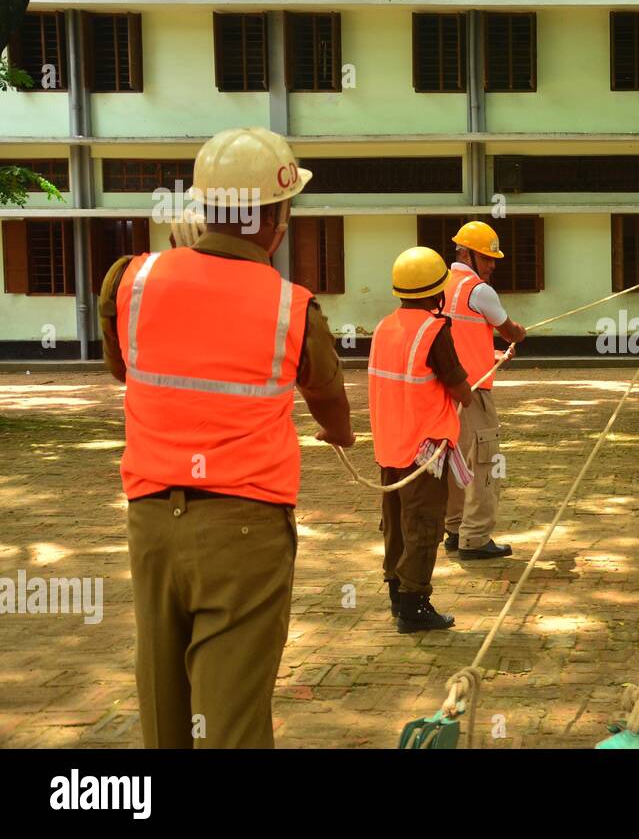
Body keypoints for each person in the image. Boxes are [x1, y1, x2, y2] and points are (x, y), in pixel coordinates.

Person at [97, 127, 355, 748]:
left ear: (205, 206)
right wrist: (337, 432)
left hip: (152, 521)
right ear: (276, 218)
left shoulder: (129, 280)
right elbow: (328, 394)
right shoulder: (293, 308)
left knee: (163, 704)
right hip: (246, 529)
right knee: (232, 719)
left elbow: (123, 366)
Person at [369, 247, 473, 632]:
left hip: (390, 446)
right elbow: (461, 389)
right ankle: (415, 605)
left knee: (395, 522)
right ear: (436, 293)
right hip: (424, 449)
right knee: (425, 523)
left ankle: (398, 596)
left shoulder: (383, 326)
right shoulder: (434, 330)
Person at [443, 221, 526, 560]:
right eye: (487, 258)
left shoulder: (440, 285)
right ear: (467, 254)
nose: (492, 265)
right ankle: (475, 539)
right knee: (484, 462)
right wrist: (519, 333)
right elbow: (510, 330)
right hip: (474, 393)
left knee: (452, 459)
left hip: (446, 389)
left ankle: (454, 528)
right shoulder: (478, 290)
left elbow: (456, 337)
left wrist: (489, 354)